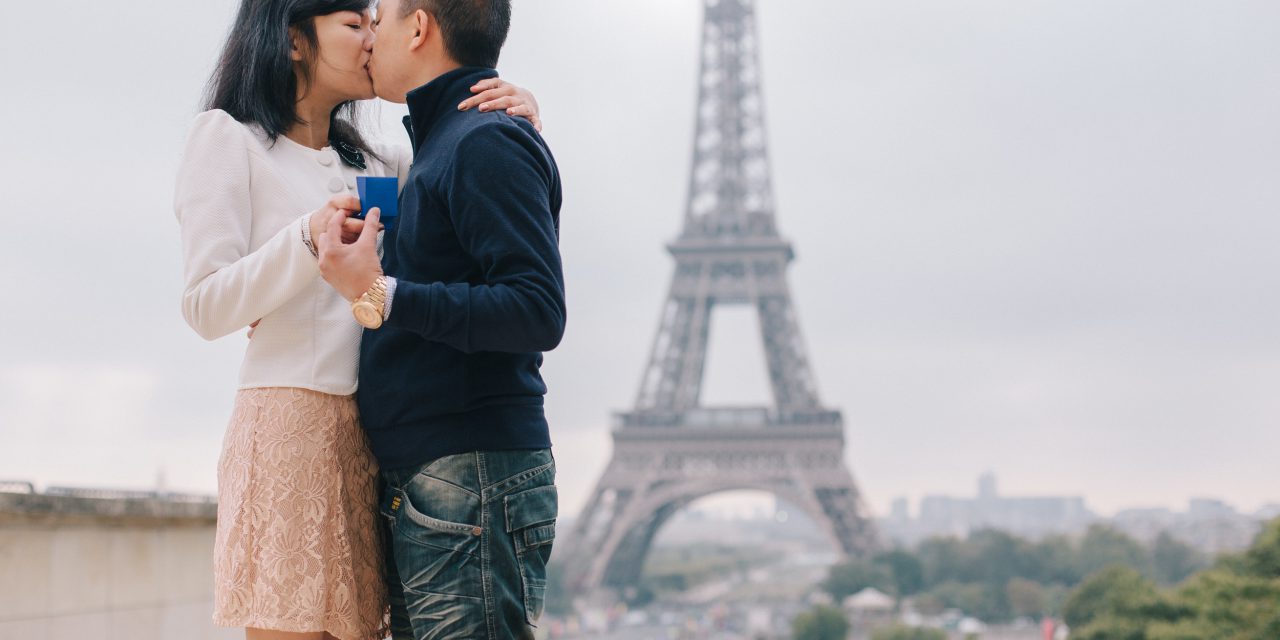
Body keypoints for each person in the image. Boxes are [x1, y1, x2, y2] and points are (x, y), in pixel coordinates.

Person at [173, 1, 541, 638]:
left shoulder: (382, 160)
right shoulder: (228, 139)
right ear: (294, 41)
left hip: (377, 441)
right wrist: (305, 242)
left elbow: (464, 197)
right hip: (288, 424)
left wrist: (518, 113)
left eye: (378, 21)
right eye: (354, 24)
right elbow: (205, 306)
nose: (374, 38)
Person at [315, 0, 564, 637]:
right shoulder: (445, 144)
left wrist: (380, 291)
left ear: (420, 26)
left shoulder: (483, 139)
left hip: (468, 472)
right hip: (444, 477)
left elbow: (537, 308)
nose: (370, 36)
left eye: (382, 19)